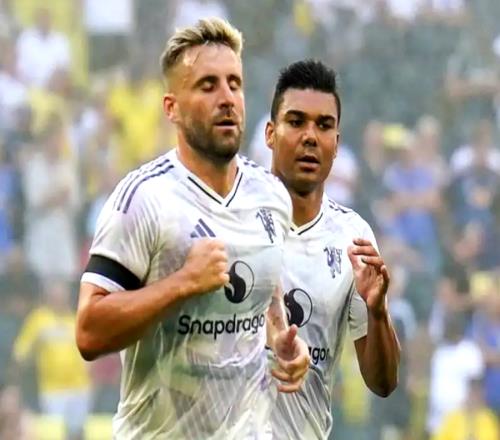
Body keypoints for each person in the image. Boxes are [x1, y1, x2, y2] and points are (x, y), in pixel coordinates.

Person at [76, 18, 309, 439]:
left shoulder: (271, 195)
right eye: (207, 86)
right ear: (172, 108)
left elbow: (267, 293)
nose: (227, 98)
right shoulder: (143, 199)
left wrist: (281, 339)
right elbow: (89, 331)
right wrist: (182, 283)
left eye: (234, 84)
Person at [265, 59, 400, 439]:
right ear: (270, 134)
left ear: (336, 144)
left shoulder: (353, 238)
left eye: (324, 125)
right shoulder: (232, 220)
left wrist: (377, 311)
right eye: (296, 122)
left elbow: (383, 383)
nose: (310, 136)